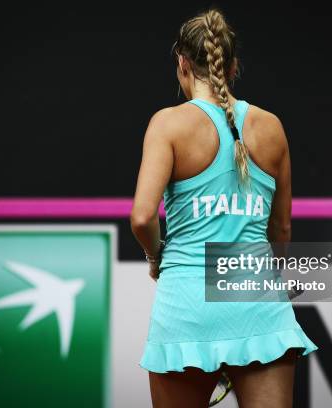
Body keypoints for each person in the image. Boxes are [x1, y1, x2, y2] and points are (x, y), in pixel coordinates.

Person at [130, 8, 318, 408]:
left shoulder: (168, 124)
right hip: (258, 304)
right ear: (232, 67)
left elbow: (143, 217)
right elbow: (281, 228)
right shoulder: (272, 127)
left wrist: (154, 257)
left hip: (186, 306)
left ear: (182, 62)